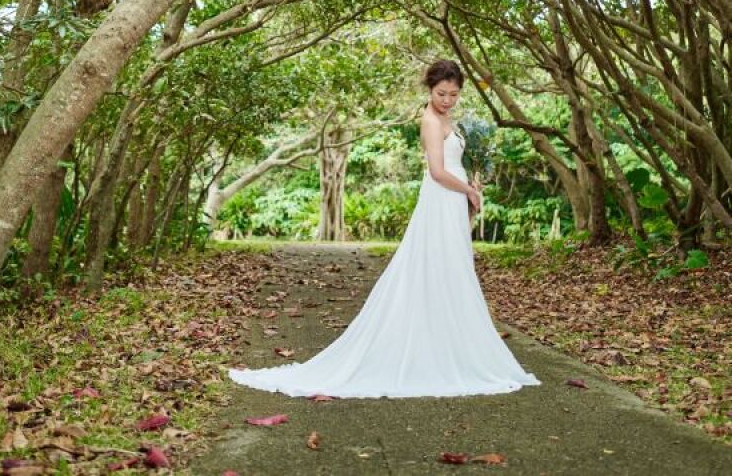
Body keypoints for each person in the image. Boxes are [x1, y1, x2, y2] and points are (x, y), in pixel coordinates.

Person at [226, 58, 541, 398]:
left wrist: (472, 184)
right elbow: (437, 171)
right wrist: (468, 190)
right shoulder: (430, 121)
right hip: (441, 198)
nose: (447, 100)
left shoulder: (447, 118)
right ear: (430, 89)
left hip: (453, 200)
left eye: (453, 94)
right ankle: (431, 351)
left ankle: (449, 344)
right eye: (441, 93)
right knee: (436, 267)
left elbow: (454, 162)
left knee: (453, 268)